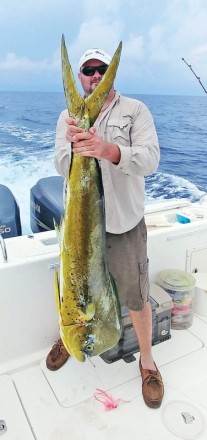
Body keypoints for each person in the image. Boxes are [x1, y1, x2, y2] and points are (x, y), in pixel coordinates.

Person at [46, 46, 164, 409]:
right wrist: (72, 144)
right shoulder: (69, 116)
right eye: (88, 71)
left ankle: (147, 363)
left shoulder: (135, 111)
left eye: (101, 69)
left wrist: (108, 150)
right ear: (79, 77)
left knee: (136, 297)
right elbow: (61, 166)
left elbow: (151, 159)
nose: (95, 76)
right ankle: (70, 338)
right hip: (81, 230)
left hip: (125, 226)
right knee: (74, 291)